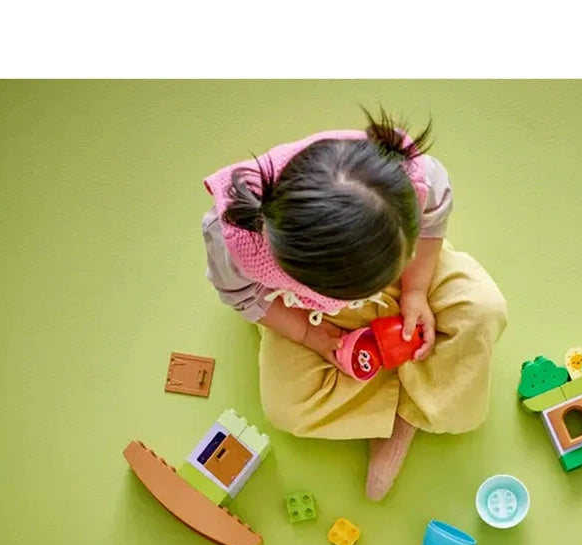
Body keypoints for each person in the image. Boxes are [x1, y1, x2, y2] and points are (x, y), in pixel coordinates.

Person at [201, 107, 507, 500]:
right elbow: (244, 297)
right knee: (287, 409)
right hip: (301, 307)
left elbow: (433, 220)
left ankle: (407, 416)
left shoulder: (407, 176)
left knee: (483, 308)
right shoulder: (236, 242)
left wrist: (413, 289)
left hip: (411, 271)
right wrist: (310, 334)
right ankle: (404, 400)